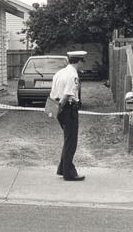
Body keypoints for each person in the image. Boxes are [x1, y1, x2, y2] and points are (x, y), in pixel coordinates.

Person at [50, 50, 86, 181]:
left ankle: (62, 169)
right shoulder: (73, 74)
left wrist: (54, 110)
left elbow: (53, 93)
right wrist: (61, 108)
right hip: (68, 108)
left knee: (67, 140)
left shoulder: (59, 73)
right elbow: (67, 94)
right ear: (78, 61)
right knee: (71, 141)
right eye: (82, 61)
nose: (83, 64)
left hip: (57, 107)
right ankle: (69, 173)